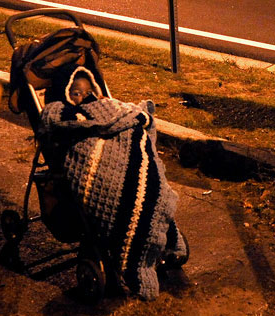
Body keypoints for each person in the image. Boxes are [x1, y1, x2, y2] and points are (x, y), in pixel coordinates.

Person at [40, 66, 187, 301]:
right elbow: (54, 118)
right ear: (66, 96)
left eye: (88, 91)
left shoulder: (115, 108)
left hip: (125, 141)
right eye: (75, 93)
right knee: (121, 190)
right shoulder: (65, 116)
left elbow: (138, 120)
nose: (84, 97)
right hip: (97, 155)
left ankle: (161, 233)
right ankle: (140, 255)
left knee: (147, 174)